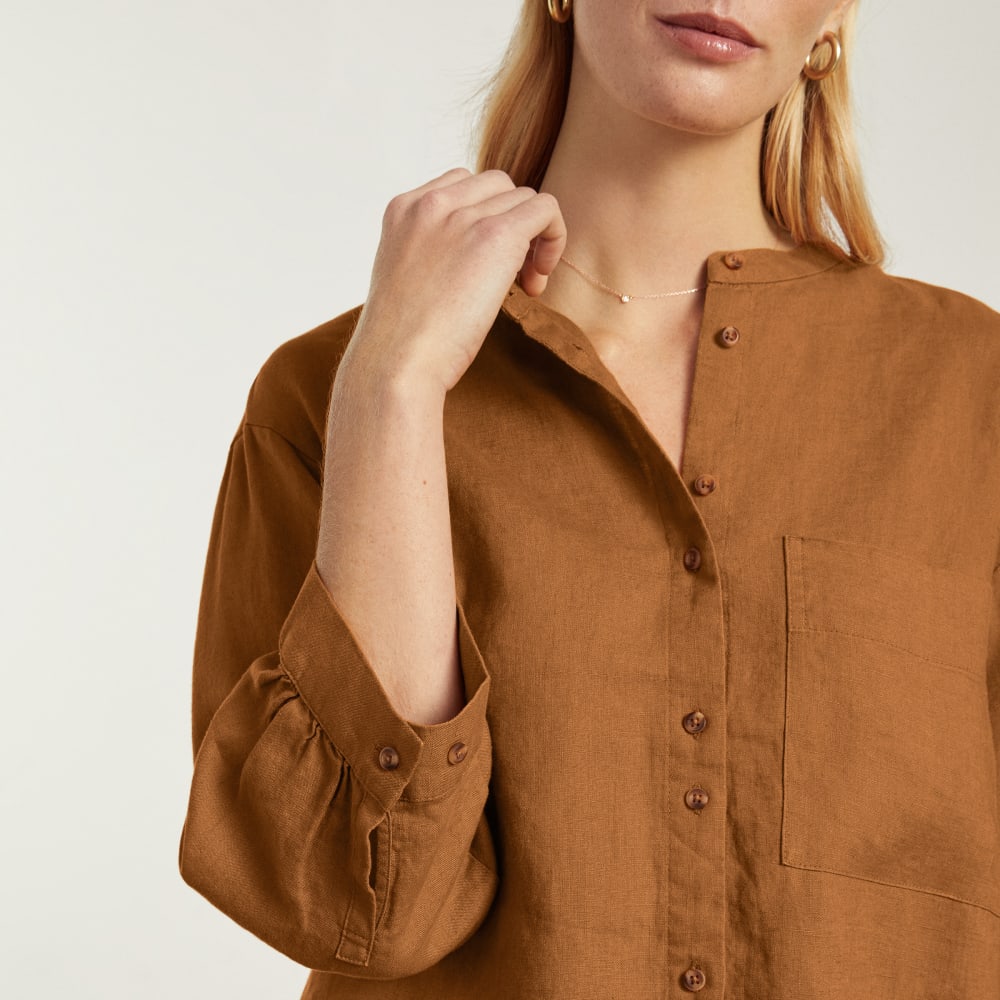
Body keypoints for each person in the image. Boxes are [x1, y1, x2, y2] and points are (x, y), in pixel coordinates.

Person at [178, 0, 1000, 995]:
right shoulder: (331, 395)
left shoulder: (971, 394)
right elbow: (349, 910)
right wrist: (393, 387)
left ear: (831, 24)